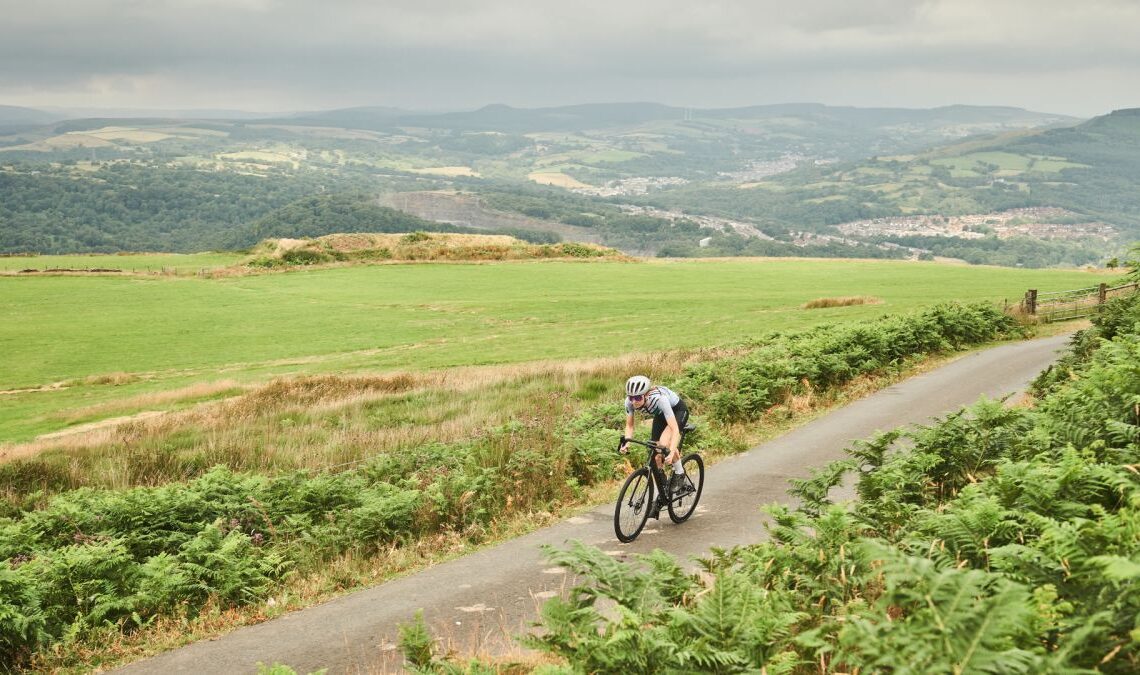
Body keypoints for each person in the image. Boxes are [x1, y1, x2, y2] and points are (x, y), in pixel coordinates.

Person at [619, 375, 693, 502]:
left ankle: (680, 473)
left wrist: (671, 450)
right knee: (657, 454)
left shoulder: (660, 399)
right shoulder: (629, 402)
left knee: (664, 444)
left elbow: (675, 430)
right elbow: (629, 426)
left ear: (646, 395)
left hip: (677, 411)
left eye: (637, 397)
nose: (634, 401)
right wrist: (627, 442)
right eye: (631, 397)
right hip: (661, 414)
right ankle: (664, 489)